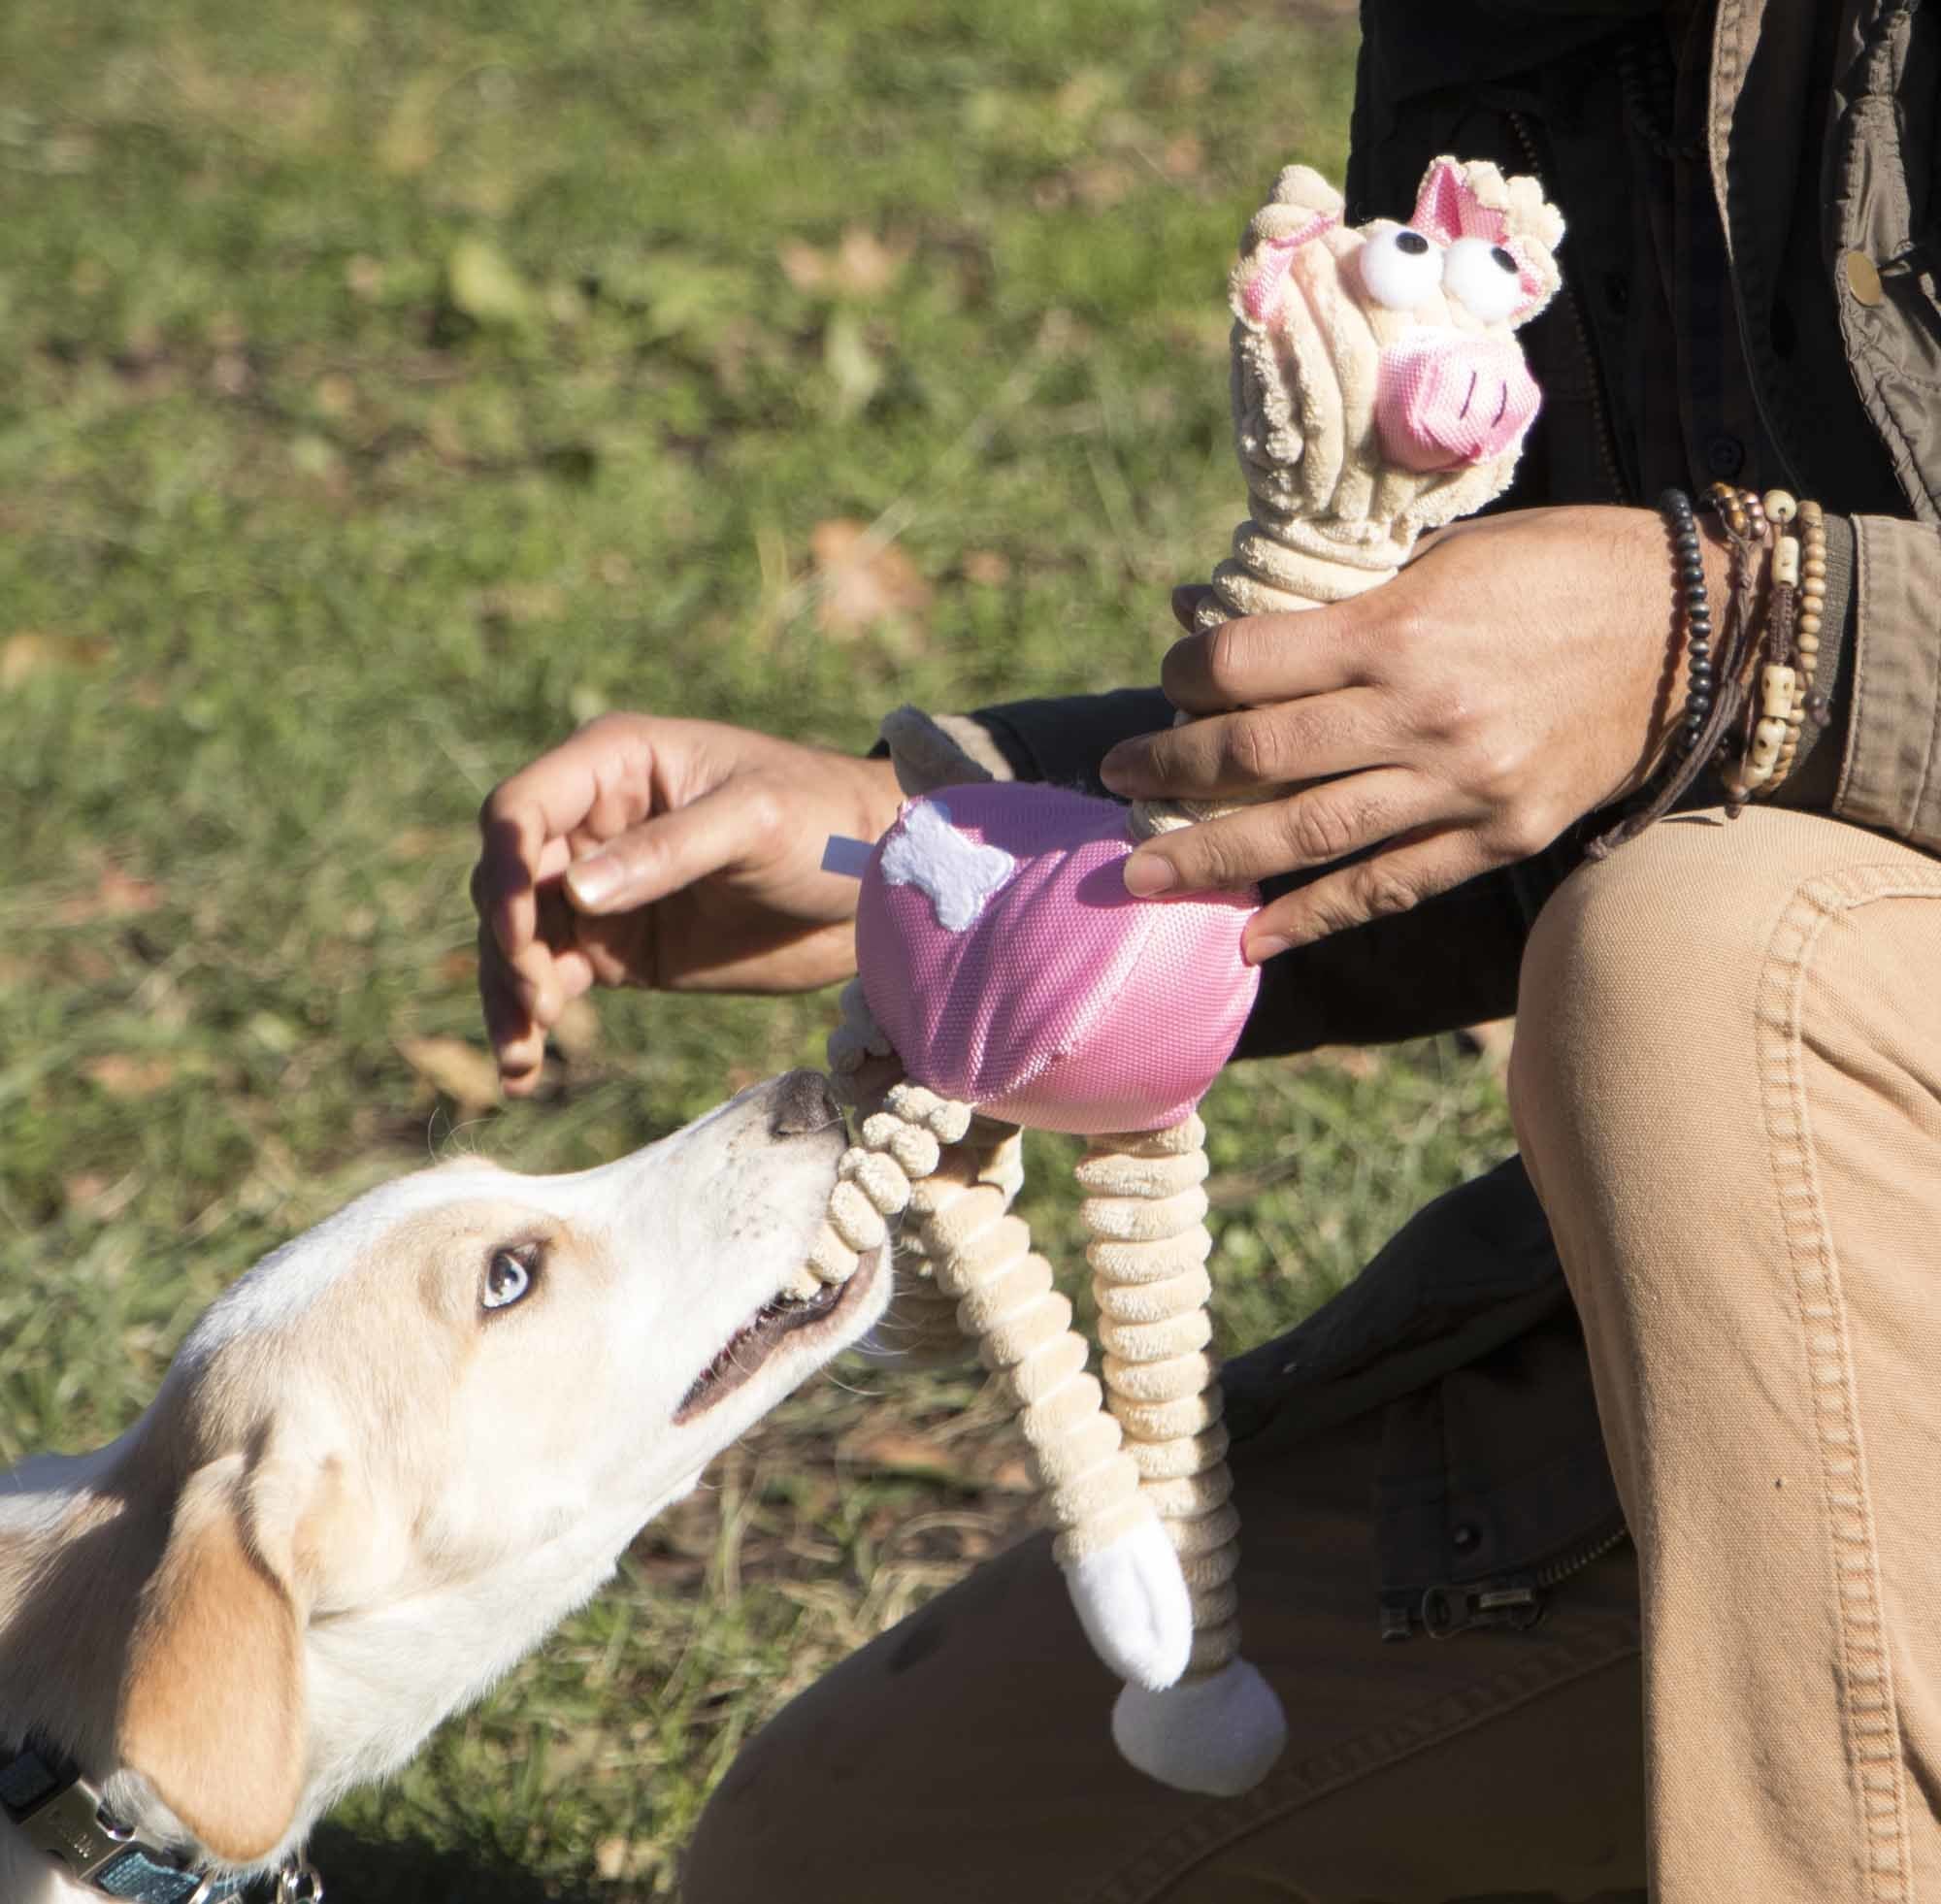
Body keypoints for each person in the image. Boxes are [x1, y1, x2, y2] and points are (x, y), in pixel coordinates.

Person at [472, 3, 1941, 1897]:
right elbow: (1536, 761)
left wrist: (1740, 637)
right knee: (851, 1863)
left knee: (1718, 959)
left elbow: (1703, 773)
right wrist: (935, 844)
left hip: (1780, 1024)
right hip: (1811, 1287)